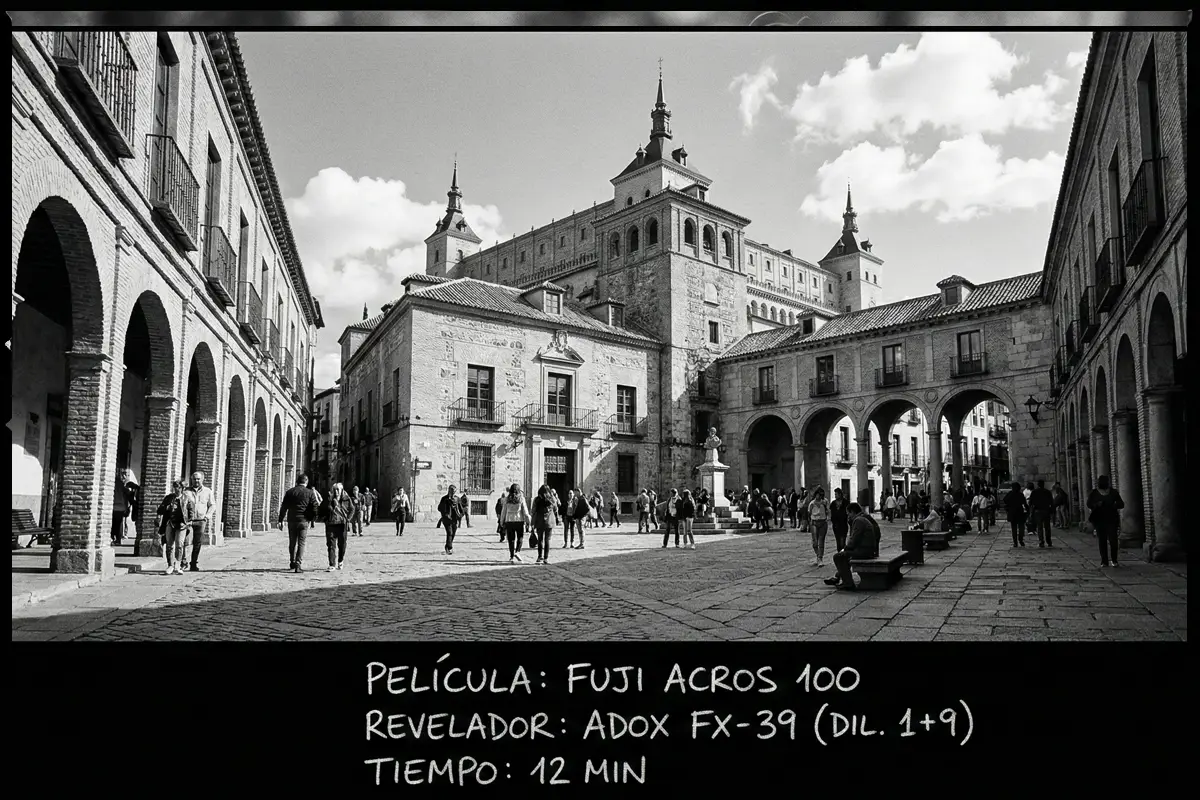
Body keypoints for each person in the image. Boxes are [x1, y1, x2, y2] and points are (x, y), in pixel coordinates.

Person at [823, 503, 878, 591]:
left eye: (848, 513)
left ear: (852, 512)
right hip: (868, 549)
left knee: (838, 556)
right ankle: (838, 577)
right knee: (845, 556)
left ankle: (848, 583)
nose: (848, 516)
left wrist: (845, 548)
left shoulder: (858, 520)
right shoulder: (863, 518)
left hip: (865, 550)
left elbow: (853, 540)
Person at [278, 472, 319, 573]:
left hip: (292, 520)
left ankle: (292, 561)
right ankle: (298, 564)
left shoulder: (290, 492)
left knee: (292, 542)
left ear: (297, 481)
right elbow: (315, 507)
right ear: (306, 481)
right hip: (303, 521)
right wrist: (312, 519)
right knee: (301, 543)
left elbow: (284, 507)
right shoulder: (310, 493)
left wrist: (280, 520)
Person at [1086, 475, 1124, 567]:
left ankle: (1114, 560)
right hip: (1099, 520)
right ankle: (1104, 561)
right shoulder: (1094, 493)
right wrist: (1096, 505)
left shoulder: (1113, 492)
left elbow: (1121, 504)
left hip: (1111, 519)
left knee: (1113, 540)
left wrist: (1115, 505)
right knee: (1102, 541)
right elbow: (1089, 504)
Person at [158, 479, 194, 575]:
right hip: (170, 523)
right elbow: (160, 510)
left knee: (179, 544)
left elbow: (191, 512)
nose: (177, 489)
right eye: (175, 487)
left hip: (182, 524)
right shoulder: (169, 498)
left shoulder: (186, 498)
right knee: (169, 545)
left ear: (182, 488)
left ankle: (178, 565)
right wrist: (167, 508)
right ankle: (170, 565)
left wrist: (189, 522)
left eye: (179, 487)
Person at [183, 471, 214, 572]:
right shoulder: (186, 491)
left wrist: (207, 516)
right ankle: (183, 562)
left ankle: (193, 563)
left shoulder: (208, 491)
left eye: (198, 479)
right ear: (191, 479)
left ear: (202, 479)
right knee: (186, 541)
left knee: (197, 543)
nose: (196, 481)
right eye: (194, 479)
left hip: (201, 521)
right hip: (188, 521)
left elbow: (212, 505)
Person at [321, 483, 355, 572]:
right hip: (331, 524)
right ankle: (332, 564)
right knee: (331, 545)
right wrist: (325, 518)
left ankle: (340, 560)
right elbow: (322, 509)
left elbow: (352, 509)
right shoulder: (329, 499)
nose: (336, 491)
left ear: (341, 490)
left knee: (342, 545)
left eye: (338, 489)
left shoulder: (347, 499)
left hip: (342, 525)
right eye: (334, 489)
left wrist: (348, 519)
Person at [499, 483, 532, 563]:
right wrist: (529, 520)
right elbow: (525, 511)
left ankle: (511, 556)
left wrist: (501, 521)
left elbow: (503, 511)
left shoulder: (507, 499)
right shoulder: (521, 498)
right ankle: (517, 551)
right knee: (520, 537)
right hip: (519, 521)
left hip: (509, 521)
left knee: (511, 539)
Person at [531, 485, 559, 565]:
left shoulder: (537, 499)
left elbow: (533, 510)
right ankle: (546, 558)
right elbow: (556, 508)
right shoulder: (552, 499)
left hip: (539, 520)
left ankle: (539, 556)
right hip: (549, 521)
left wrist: (532, 521)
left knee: (540, 539)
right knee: (547, 540)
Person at [807, 487, 831, 566]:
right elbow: (809, 513)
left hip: (823, 522)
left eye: (821, 495)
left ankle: (820, 558)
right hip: (814, 522)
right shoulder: (812, 503)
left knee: (821, 541)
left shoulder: (825, 502)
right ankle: (818, 555)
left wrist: (828, 517)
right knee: (815, 542)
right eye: (818, 495)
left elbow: (828, 511)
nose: (819, 496)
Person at [438, 484, 463, 555]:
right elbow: (439, 508)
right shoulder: (444, 499)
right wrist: (445, 514)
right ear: (449, 490)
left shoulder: (457, 498)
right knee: (450, 533)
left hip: (455, 519)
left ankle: (447, 546)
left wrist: (460, 515)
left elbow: (461, 509)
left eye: (454, 491)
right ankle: (449, 548)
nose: (453, 492)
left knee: (453, 533)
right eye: (452, 491)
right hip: (447, 519)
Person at [1029, 479, 1055, 548]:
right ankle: (1049, 541)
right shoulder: (1047, 492)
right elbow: (1051, 502)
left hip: (1038, 511)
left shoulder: (1034, 492)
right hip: (1046, 510)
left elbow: (1030, 502)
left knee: (1039, 527)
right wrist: (1052, 511)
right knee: (1047, 527)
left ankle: (1041, 541)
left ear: (1038, 485)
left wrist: (1031, 511)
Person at [1002, 481, 1028, 547]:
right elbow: (1024, 503)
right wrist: (1028, 511)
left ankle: (1015, 542)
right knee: (1021, 527)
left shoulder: (1010, 494)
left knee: (1014, 528)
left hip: (1012, 512)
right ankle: (1021, 539)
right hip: (1020, 512)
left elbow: (1005, 500)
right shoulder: (1020, 495)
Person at [829, 487, 850, 553]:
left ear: (840, 494)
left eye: (836, 494)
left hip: (843, 524)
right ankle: (840, 554)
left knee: (842, 541)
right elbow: (831, 513)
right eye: (835, 494)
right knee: (838, 541)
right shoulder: (833, 503)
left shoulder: (846, 503)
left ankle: (843, 553)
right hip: (836, 525)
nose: (835, 496)